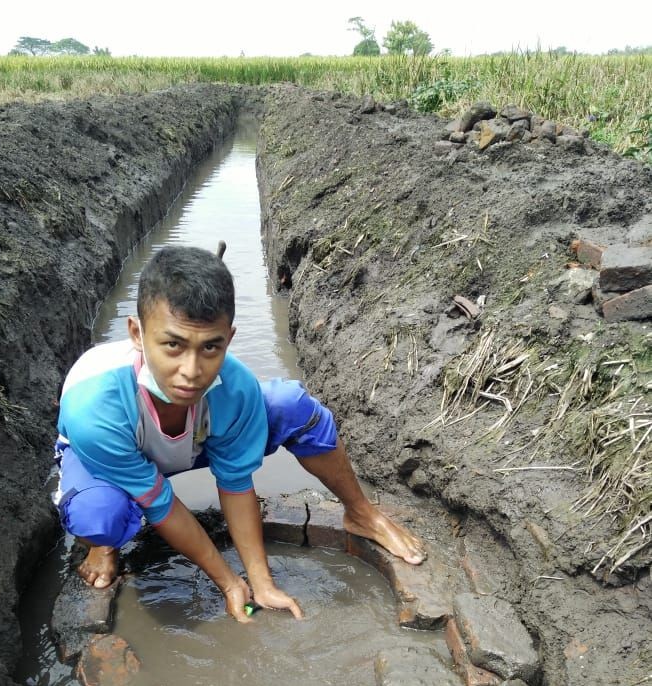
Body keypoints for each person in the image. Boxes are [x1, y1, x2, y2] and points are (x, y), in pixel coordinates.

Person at [54, 245, 425, 623]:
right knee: (101, 516)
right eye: (173, 345)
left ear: (228, 339)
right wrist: (229, 583)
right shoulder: (94, 409)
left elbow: (235, 484)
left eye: (210, 347)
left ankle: (361, 514)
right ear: (136, 332)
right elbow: (161, 504)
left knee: (290, 406)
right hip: (111, 453)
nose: (191, 371)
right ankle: (102, 546)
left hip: (188, 441)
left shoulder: (234, 387)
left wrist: (260, 583)